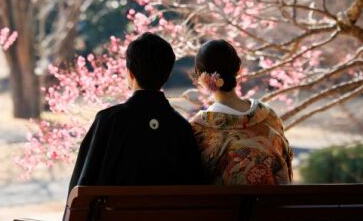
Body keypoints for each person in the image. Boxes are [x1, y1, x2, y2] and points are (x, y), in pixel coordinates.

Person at [68, 32, 205, 191]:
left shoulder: (108, 121)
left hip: (115, 216)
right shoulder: (181, 128)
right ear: (167, 75)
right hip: (168, 216)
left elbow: (81, 188)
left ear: (130, 73)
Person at [190, 39, 293, 185]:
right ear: (239, 69)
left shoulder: (199, 128)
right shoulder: (269, 116)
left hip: (224, 207)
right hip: (271, 206)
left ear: (202, 77)